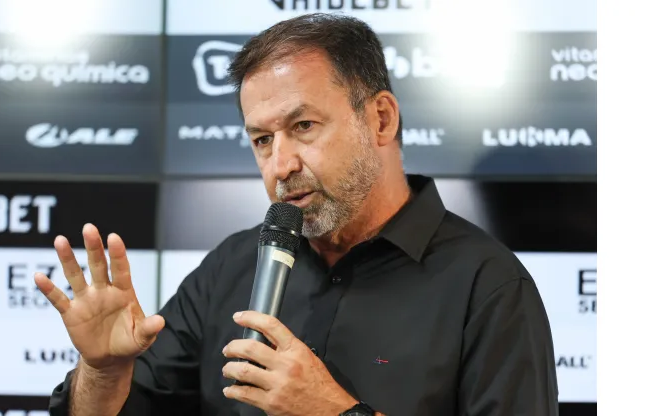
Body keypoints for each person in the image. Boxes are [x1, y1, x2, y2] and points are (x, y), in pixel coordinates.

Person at [37, 13, 559, 416]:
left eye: (304, 126)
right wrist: (103, 371)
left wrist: (337, 412)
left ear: (379, 119)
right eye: (262, 140)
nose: (280, 165)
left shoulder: (487, 286)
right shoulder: (231, 266)